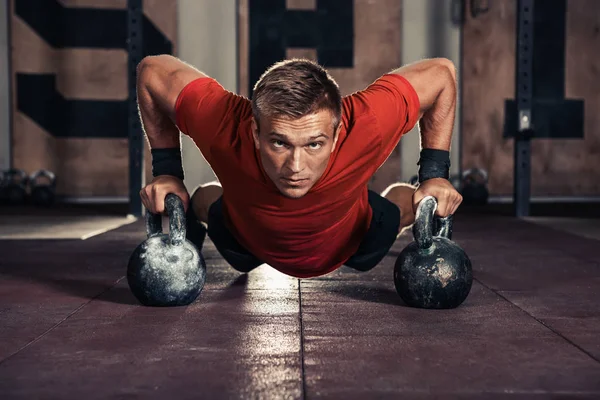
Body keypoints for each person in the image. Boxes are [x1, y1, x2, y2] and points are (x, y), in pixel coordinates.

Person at [136, 55, 462, 278]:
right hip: (244, 240)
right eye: (279, 143)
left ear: (337, 133)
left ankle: (408, 197)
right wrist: (167, 173)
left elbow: (442, 73)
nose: (295, 166)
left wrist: (434, 176)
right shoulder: (223, 121)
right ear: (254, 132)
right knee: (205, 202)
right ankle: (217, 199)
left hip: (354, 241)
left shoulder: (366, 122)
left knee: (400, 208)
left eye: (313, 144)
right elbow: (151, 70)